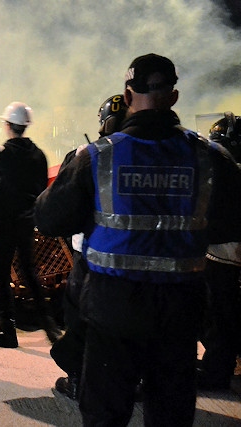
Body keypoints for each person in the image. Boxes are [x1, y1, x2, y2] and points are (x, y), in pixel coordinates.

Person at [34, 53, 241, 426]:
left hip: (113, 308)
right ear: (174, 97)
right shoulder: (209, 157)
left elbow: (49, 218)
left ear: (128, 96)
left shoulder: (97, 157)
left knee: (105, 413)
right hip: (181, 310)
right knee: (170, 413)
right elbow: (232, 225)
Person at [50, 94, 128, 400]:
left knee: (82, 319)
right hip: (141, 262)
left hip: (92, 256)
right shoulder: (165, 151)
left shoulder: (89, 154)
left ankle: (80, 381)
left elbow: (56, 212)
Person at [0, 101, 61, 349]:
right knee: (29, 272)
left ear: (7, 125)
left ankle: (7, 330)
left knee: (1, 275)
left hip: (3, 222)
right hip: (27, 222)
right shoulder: (39, 155)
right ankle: (49, 326)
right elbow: (42, 190)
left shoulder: (1, 153)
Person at [197, 112, 241, 391]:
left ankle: (217, 371)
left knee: (218, 315)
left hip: (224, 252)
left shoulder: (227, 170)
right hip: (229, 249)